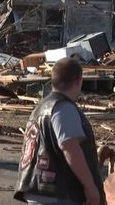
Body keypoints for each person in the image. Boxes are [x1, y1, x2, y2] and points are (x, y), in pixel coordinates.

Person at [14, 58, 104, 205]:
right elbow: (70, 148)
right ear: (78, 80)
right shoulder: (63, 108)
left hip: (37, 188)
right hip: (58, 192)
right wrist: (91, 188)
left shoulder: (40, 108)